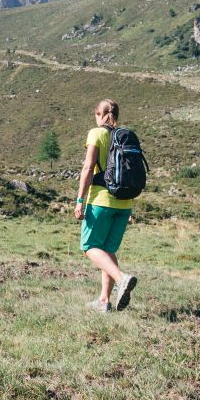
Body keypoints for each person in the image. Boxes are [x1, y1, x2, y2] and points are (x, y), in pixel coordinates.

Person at [75, 99, 138, 313]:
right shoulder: (125, 136)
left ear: (99, 114)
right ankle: (104, 301)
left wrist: (79, 200)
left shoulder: (96, 133)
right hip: (124, 203)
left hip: (101, 201)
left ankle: (122, 279)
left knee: (89, 247)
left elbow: (88, 167)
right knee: (108, 251)